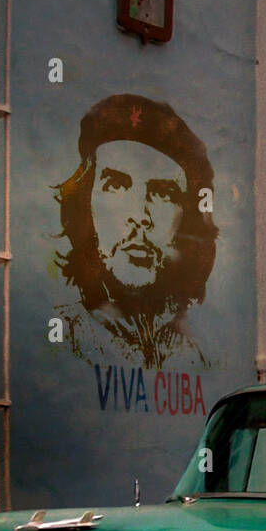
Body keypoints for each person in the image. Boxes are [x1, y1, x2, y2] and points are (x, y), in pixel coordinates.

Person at [52, 94, 218, 367]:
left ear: (185, 219)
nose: (141, 217)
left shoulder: (192, 353)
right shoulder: (69, 336)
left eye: (163, 193)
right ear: (85, 202)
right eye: (116, 185)